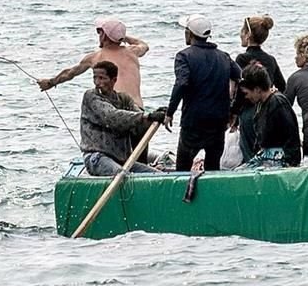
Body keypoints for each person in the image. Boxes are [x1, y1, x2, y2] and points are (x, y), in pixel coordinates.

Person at [38, 19, 151, 160]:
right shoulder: (132, 52)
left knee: (119, 157)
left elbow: (70, 73)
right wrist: (123, 37)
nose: (98, 35)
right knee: (140, 157)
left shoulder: (96, 57)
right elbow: (144, 45)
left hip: (115, 114)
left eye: (99, 32)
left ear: (104, 35)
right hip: (137, 112)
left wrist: (50, 82)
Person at [166, 14, 242, 172]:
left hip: (193, 120)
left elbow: (181, 83)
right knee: (213, 166)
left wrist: (170, 112)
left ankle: (182, 193)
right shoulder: (223, 57)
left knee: (183, 167)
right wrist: (234, 109)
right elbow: (240, 78)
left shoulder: (184, 56)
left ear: (189, 34)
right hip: (218, 120)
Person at [80, 60, 167, 176]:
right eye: (95, 78)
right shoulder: (91, 96)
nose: (97, 82)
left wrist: (154, 117)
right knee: (122, 176)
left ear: (113, 80)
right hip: (98, 158)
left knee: (158, 176)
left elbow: (139, 120)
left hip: (123, 161)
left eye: (102, 78)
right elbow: (112, 116)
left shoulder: (124, 99)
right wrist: (147, 116)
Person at [231, 14, 286, 162]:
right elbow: (282, 86)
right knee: (264, 151)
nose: (240, 35)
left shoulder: (242, 59)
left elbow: (240, 91)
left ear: (248, 35)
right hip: (267, 111)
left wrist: (233, 113)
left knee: (250, 155)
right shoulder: (270, 59)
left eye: (242, 31)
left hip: (248, 113)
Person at [238, 62, 301, 167]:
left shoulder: (277, 102)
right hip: (265, 155)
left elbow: (291, 136)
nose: (246, 97)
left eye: (246, 93)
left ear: (257, 89)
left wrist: (291, 163)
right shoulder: (260, 105)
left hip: (281, 158)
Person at [283, 32, 308, 163]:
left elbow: (284, 108)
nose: (295, 58)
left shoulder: (295, 78)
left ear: (305, 56)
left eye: (298, 54)